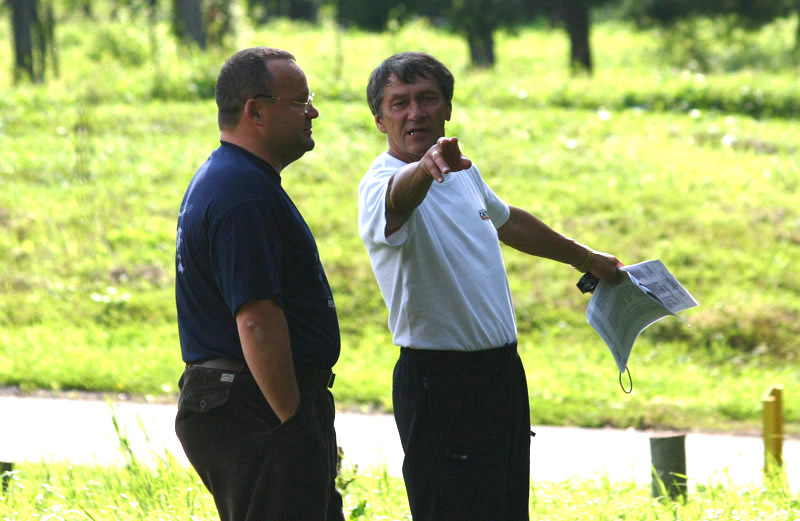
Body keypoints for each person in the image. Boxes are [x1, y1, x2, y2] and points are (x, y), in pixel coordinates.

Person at [357, 51, 623, 521]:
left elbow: (509, 222)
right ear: (380, 119)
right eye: (399, 103)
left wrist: (588, 259)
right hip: (439, 380)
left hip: (498, 374)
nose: (414, 113)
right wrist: (426, 166)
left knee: (504, 509)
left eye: (427, 99)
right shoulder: (380, 184)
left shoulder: (463, 172)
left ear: (448, 109)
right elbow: (399, 199)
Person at [174, 47, 344, 521]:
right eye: (300, 101)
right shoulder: (243, 193)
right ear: (256, 111)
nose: (313, 111)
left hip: (246, 400)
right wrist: (293, 422)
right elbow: (256, 319)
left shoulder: (230, 178)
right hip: (255, 406)